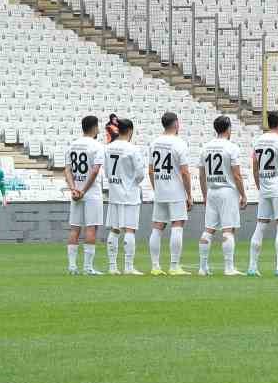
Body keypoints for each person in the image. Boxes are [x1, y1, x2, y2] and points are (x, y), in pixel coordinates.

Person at [248, 109, 278, 277]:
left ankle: (252, 267)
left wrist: (259, 186)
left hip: (265, 188)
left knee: (260, 225)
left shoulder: (258, 141)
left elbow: (254, 166)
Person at [146, 112, 194, 276]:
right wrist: (189, 195)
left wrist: (156, 188)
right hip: (175, 190)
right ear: (176, 124)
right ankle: (174, 266)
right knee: (177, 225)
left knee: (157, 227)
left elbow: (151, 170)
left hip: (160, 190)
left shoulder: (154, 143)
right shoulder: (179, 143)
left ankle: (155, 266)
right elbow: (185, 172)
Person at [198, 115, 246, 276]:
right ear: (229, 128)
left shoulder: (206, 147)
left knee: (209, 229)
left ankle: (202, 267)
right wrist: (243, 194)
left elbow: (201, 173)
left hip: (212, 191)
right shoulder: (231, 147)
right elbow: (237, 175)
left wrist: (205, 195)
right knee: (228, 230)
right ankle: (229, 267)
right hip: (227, 191)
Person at [64, 115, 106, 275]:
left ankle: (72, 266)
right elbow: (95, 171)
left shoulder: (72, 145)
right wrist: (84, 190)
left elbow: (67, 170)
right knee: (91, 228)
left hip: (76, 192)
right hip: (91, 192)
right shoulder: (97, 146)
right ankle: (88, 267)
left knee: (75, 228)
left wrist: (74, 189)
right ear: (95, 127)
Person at [103, 118, 146, 275]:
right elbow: (140, 174)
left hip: (114, 193)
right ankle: (128, 267)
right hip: (130, 194)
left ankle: (112, 266)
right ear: (130, 131)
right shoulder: (132, 149)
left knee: (114, 229)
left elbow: (107, 172)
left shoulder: (108, 148)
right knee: (129, 229)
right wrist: (131, 182)